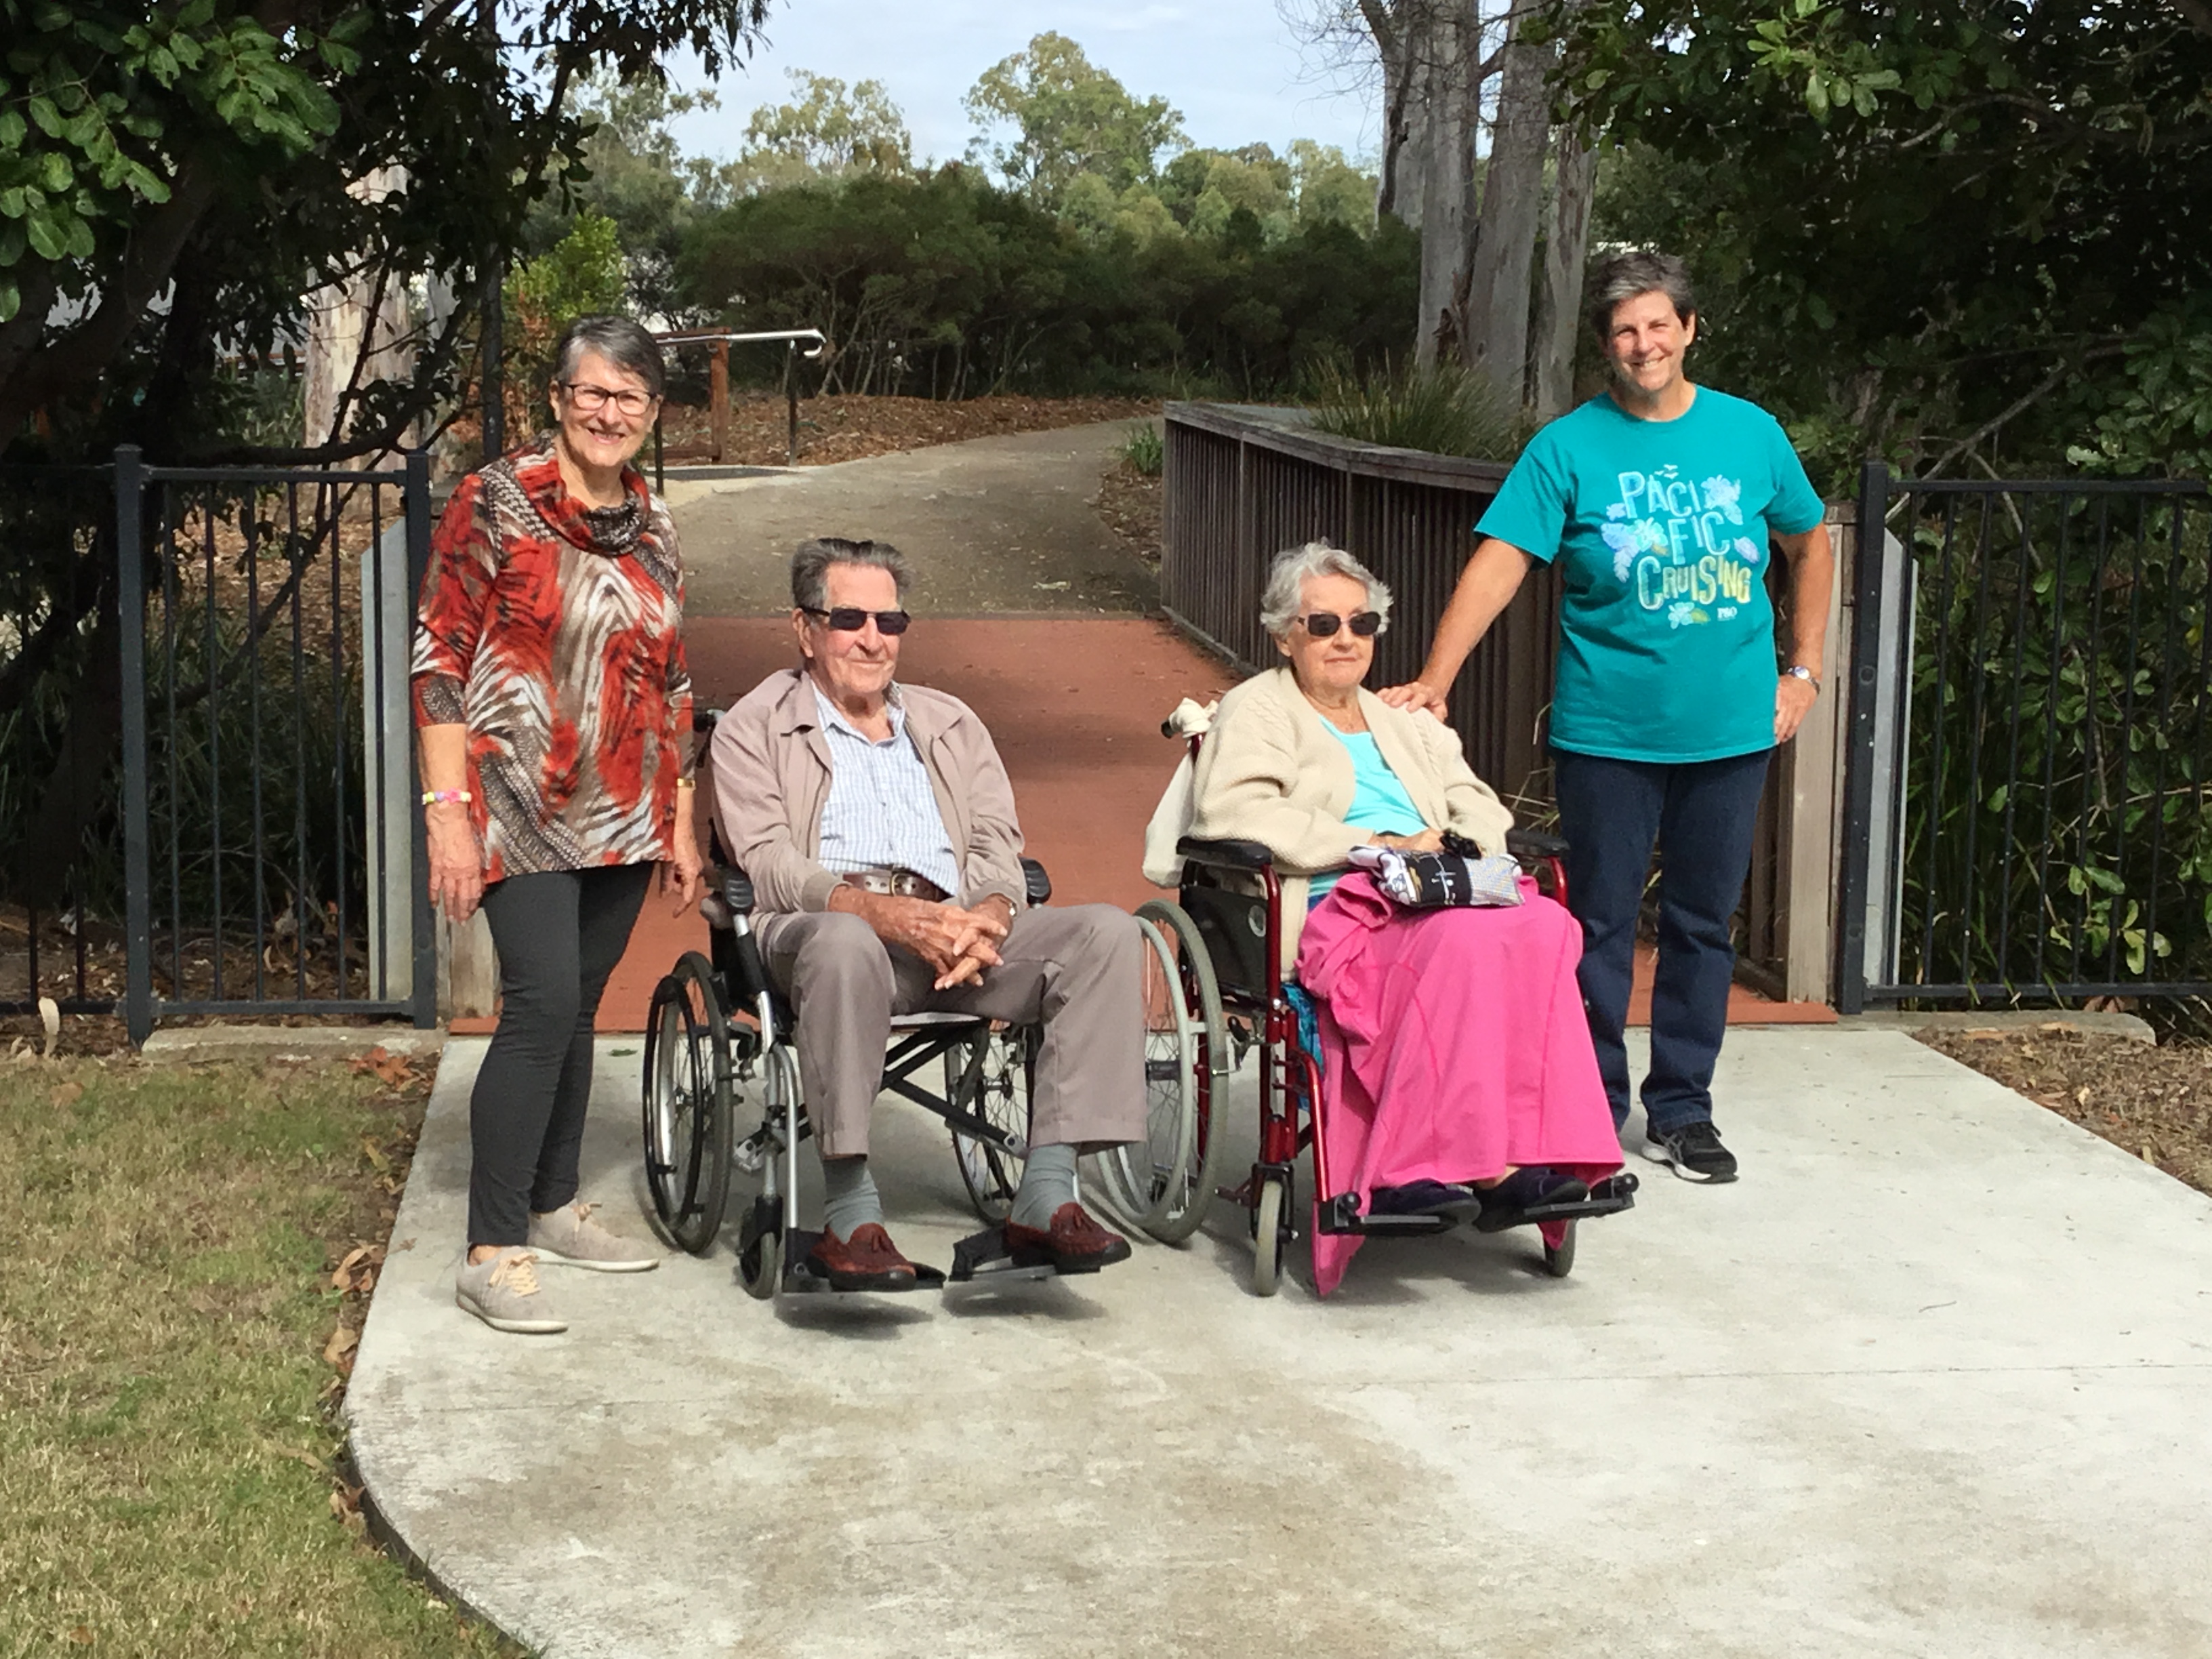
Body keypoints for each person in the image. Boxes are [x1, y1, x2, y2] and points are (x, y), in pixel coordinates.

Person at [1381, 250, 1834, 1185]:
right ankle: (1588, 1108)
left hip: (1733, 729)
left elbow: (1810, 542)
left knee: (1705, 924)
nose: (1645, 343)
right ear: (1606, 347)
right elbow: (1501, 563)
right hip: (1608, 732)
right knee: (1594, 925)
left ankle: (1682, 1111)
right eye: (1627, 331)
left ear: (1690, 330)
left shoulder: (1750, 435)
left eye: (1660, 325)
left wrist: (1805, 671)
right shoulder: (1568, 448)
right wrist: (1436, 675)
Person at [1187, 541, 1623, 1296]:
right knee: (1457, 941)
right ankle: (1452, 1168)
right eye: (1322, 623)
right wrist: (1375, 847)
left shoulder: (1404, 718)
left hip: (1434, 884)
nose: (1345, 638)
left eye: (1363, 622)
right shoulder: (1258, 710)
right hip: (1334, 900)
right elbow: (1233, 810)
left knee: (1546, 927)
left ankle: (1545, 1149)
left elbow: (1479, 800)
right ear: (1284, 632)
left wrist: (1454, 846)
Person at [708, 537, 1145, 1290]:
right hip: (824, 933)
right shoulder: (755, 726)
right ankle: (850, 1212)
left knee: (1106, 933)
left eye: (890, 621)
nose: (873, 639)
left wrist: (991, 920)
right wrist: (884, 916)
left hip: (955, 933)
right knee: (846, 941)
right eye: (849, 618)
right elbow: (768, 860)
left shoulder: (949, 722)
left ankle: (1044, 1196)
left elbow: (998, 841)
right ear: (805, 628)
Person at [414, 314, 703, 1334]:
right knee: (539, 1006)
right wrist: (448, 816)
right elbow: (439, 661)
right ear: (557, 399)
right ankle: (493, 1249)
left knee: (579, 1005)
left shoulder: (657, 523)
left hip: (623, 807)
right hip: (517, 799)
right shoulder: (494, 503)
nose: (608, 412)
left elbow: (671, 678)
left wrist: (681, 816)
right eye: (592, 392)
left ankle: (553, 1199)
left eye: (629, 397)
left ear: (653, 413)